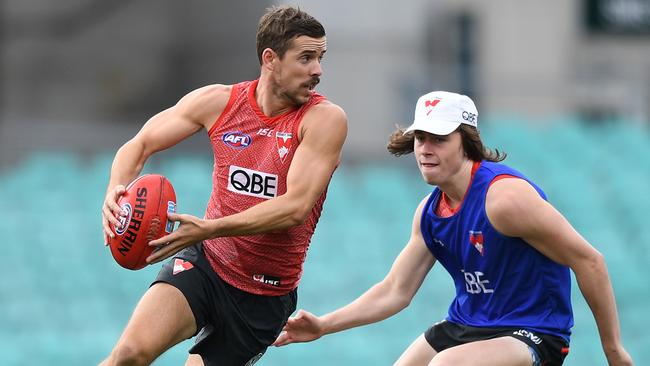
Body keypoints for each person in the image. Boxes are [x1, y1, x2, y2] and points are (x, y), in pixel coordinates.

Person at [273, 91, 634, 366]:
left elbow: (590, 261)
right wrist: (323, 326)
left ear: (467, 141)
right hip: (467, 324)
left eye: (440, 139)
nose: (426, 150)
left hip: (533, 331)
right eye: (421, 139)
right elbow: (395, 291)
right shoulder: (429, 213)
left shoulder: (504, 200)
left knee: (445, 365)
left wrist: (613, 351)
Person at [99, 5, 347, 366]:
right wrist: (115, 190)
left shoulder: (324, 119)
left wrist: (209, 228)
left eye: (320, 58)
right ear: (270, 59)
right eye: (306, 58)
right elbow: (139, 144)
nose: (318, 71)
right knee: (128, 355)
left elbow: (296, 207)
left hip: (264, 295)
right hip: (207, 265)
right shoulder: (219, 102)